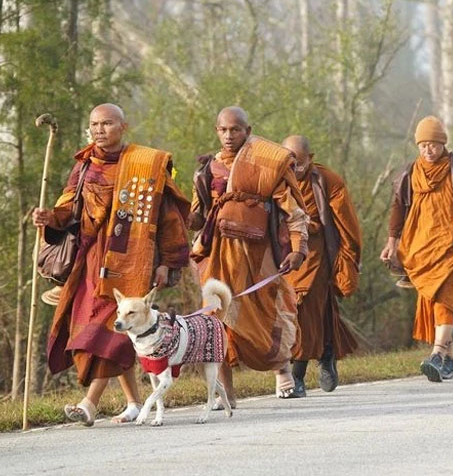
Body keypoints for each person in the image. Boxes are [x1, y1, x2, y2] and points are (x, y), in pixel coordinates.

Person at [33, 103, 190, 426]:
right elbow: (68, 208)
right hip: (91, 262)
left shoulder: (147, 163)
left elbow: (169, 218)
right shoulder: (84, 166)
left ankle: (89, 403)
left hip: (132, 261)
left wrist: (168, 262)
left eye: (106, 123)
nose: (99, 130)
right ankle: (134, 403)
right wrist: (50, 217)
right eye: (94, 124)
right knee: (99, 334)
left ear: (123, 127)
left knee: (108, 331)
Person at [188, 107, 308, 404]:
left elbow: (293, 212)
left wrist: (298, 248)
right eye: (223, 130)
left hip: (258, 254)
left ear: (248, 131)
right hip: (217, 256)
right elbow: (197, 215)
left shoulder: (268, 164)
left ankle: (282, 369)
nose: (229, 135)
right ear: (216, 131)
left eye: (236, 129)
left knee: (268, 312)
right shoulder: (206, 170)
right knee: (217, 320)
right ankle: (226, 392)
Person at [380, 116, 453, 382]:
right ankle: (450, 360)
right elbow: (398, 207)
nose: (428, 150)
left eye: (433, 144)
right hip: (420, 247)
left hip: (452, 244)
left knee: (445, 297)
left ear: (443, 143)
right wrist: (392, 241)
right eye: (423, 145)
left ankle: (436, 354)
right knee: (433, 301)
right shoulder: (410, 172)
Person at [281, 135, 362, 396]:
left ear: (310, 159)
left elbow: (348, 226)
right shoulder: (275, 180)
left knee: (303, 311)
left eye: (299, 163)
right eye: (289, 163)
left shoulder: (328, 181)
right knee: (310, 312)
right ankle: (327, 351)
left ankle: (297, 378)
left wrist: (349, 259)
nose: (294, 169)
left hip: (315, 256)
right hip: (285, 256)